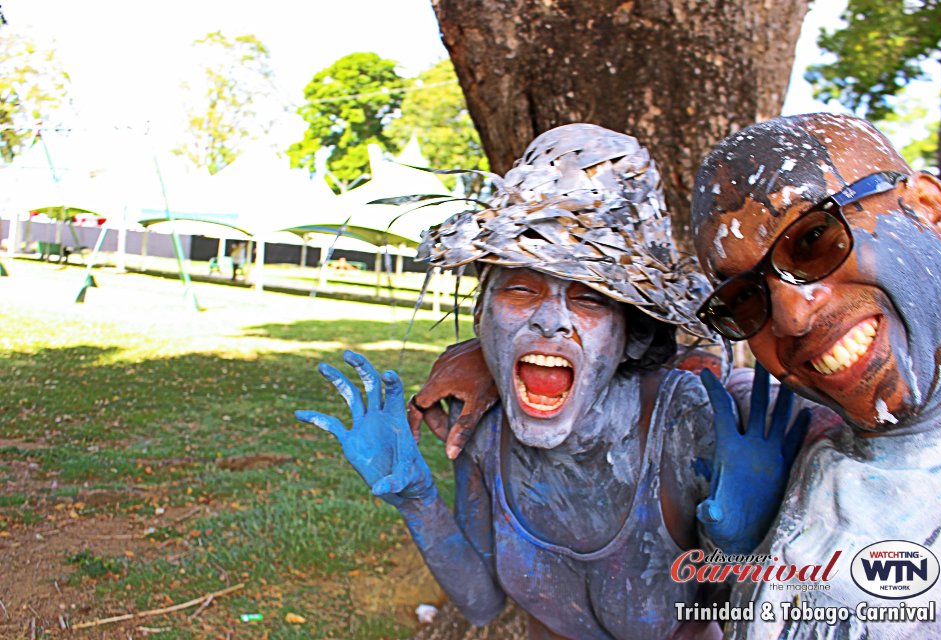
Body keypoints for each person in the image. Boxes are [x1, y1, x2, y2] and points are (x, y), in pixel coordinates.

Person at [297, 125, 808, 639]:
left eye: (589, 299)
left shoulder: (693, 425)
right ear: (482, 319)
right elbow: (481, 601)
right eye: (520, 290)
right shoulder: (483, 430)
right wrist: (415, 498)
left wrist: (741, 554)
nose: (552, 320)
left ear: (630, 335)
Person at [690, 112, 941, 638]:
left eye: (812, 238)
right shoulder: (813, 449)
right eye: (745, 298)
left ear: (929, 209)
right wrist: (738, 557)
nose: (791, 315)